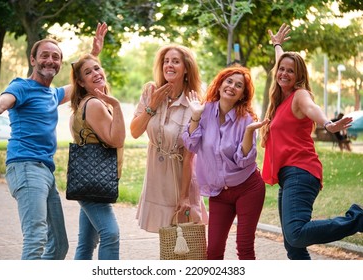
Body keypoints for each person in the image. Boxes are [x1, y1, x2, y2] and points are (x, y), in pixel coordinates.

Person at [0, 22, 107, 260]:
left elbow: (80, 83)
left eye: (56, 57)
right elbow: (2, 101)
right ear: (33, 60)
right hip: (25, 166)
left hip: (45, 171)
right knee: (36, 238)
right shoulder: (21, 86)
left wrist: (94, 53)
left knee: (58, 246)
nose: (50, 60)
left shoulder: (52, 94)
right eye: (44, 55)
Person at [259, 23, 363, 260]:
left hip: (300, 171)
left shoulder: (299, 95)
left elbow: (312, 108)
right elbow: (281, 62)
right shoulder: (281, 98)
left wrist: (328, 124)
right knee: (293, 246)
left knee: (295, 234)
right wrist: (277, 46)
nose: (284, 73)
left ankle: (357, 219)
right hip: (289, 175)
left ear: (299, 76)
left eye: (290, 71)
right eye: (281, 69)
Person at [182, 66, 268, 260]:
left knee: (244, 248)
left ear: (242, 95)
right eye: (229, 81)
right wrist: (195, 116)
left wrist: (248, 132)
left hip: (248, 188)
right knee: (213, 251)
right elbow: (190, 144)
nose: (232, 87)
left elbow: (243, 160)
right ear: (220, 85)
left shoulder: (246, 119)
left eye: (239, 85)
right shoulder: (203, 111)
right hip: (219, 193)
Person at [130, 44, 208, 233]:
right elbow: (134, 131)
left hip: (181, 177)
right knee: (166, 239)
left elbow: (190, 155)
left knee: (184, 239)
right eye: (166, 61)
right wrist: (152, 105)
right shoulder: (150, 92)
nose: (169, 65)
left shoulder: (194, 102)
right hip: (156, 176)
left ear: (186, 68)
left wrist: (184, 196)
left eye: (175, 61)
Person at [69, 53, 125, 260]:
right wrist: (117, 106)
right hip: (94, 183)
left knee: (86, 243)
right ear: (81, 83)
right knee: (110, 234)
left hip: (87, 181)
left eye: (97, 68)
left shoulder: (83, 104)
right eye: (87, 72)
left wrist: (95, 49)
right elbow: (116, 140)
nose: (95, 73)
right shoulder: (93, 104)